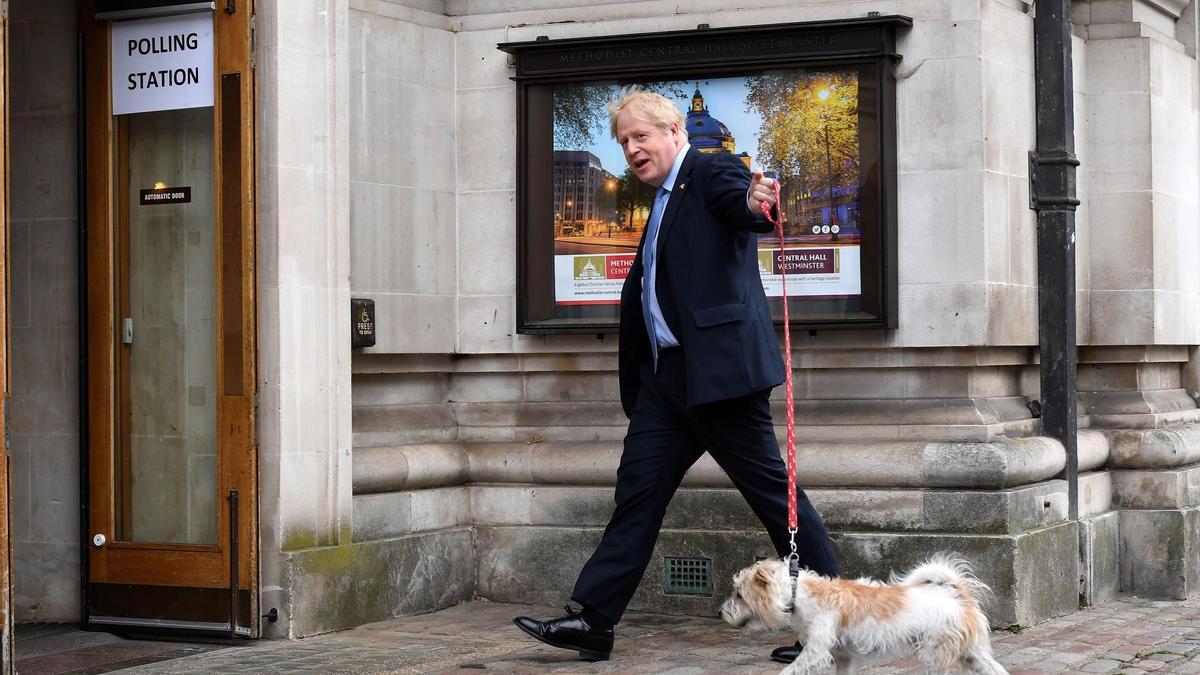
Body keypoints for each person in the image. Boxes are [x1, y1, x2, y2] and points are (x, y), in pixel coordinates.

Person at [513, 87, 840, 664]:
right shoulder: (660, 198)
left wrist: (761, 201)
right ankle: (592, 622)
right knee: (634, 500)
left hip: (720, 380)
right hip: (666, 386)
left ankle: (829, 622)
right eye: (624, 141)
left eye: (641, 136)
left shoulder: (710, 171)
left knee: (776, 501)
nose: (632, 149)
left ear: (673, 133)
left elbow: (746, 206)